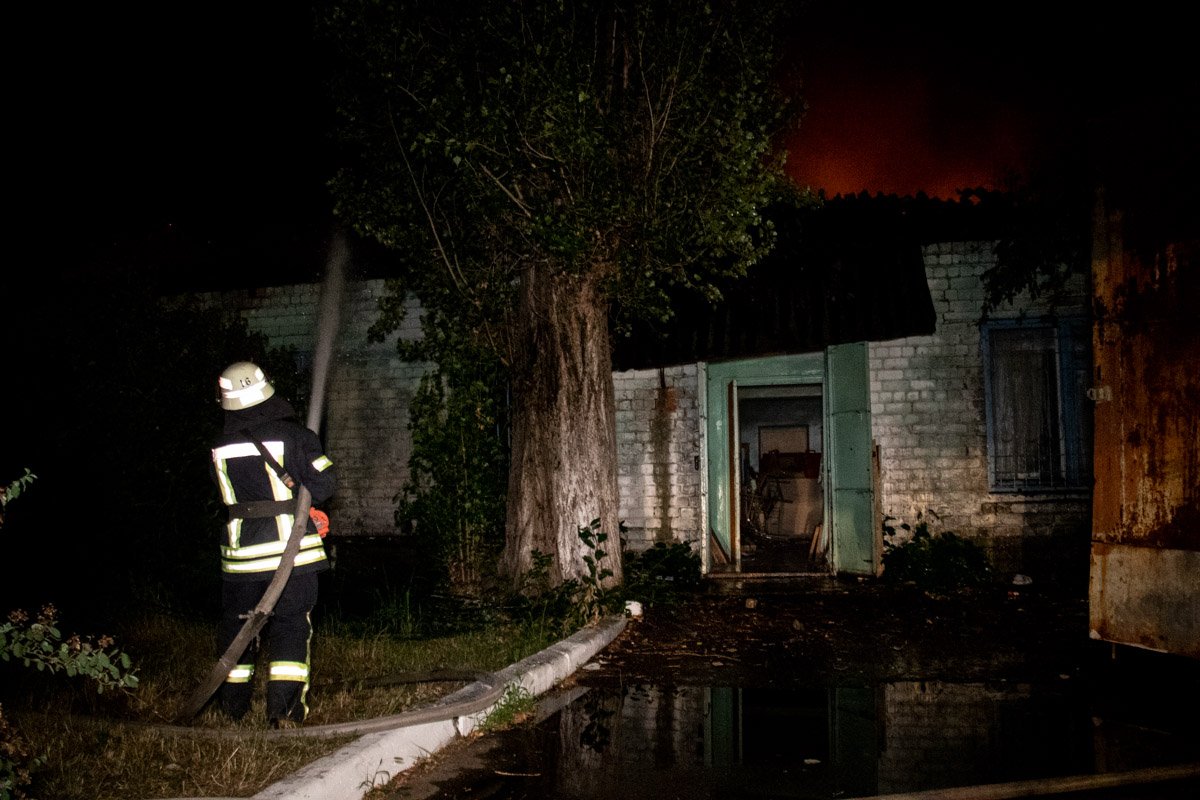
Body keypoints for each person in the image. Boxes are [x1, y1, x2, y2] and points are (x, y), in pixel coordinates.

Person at [210, 361, 336, 727]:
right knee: (291, 629)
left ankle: (231, 710)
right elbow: (326, 484)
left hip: (240, 559)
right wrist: (309, 453)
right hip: (289, 554)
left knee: (237, 632)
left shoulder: (219, 445)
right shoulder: (292, 436)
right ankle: (284, 713)